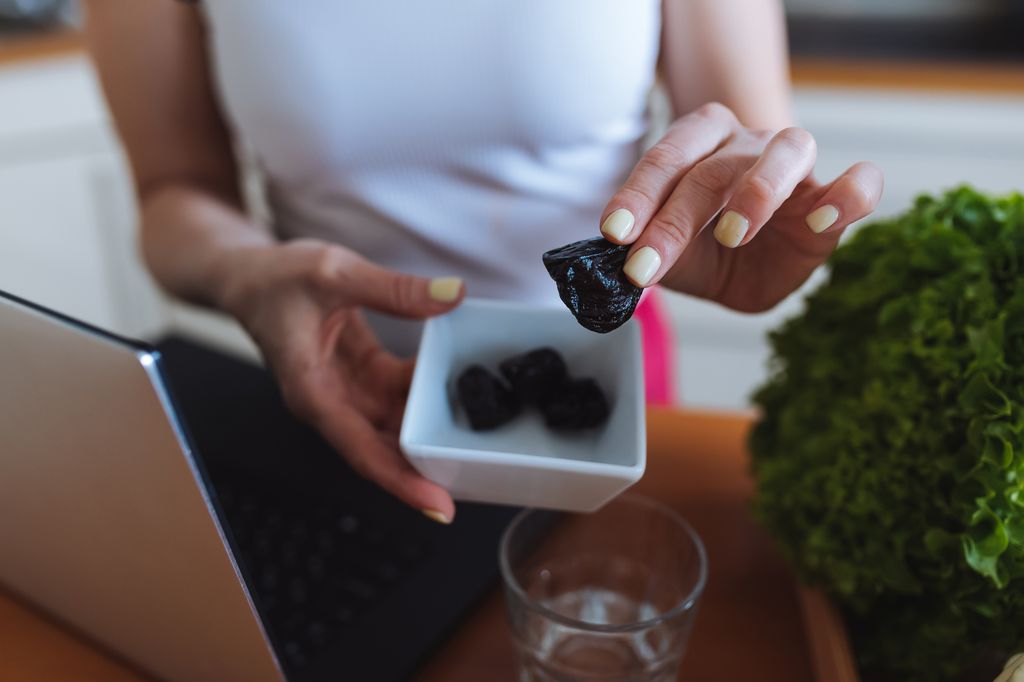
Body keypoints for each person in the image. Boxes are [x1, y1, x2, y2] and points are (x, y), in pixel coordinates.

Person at [84, 0, 883, 525]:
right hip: (336, 393)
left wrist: (746, 207)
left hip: (599, 394)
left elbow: (744, 145)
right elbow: (173, 188)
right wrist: (241, 271)